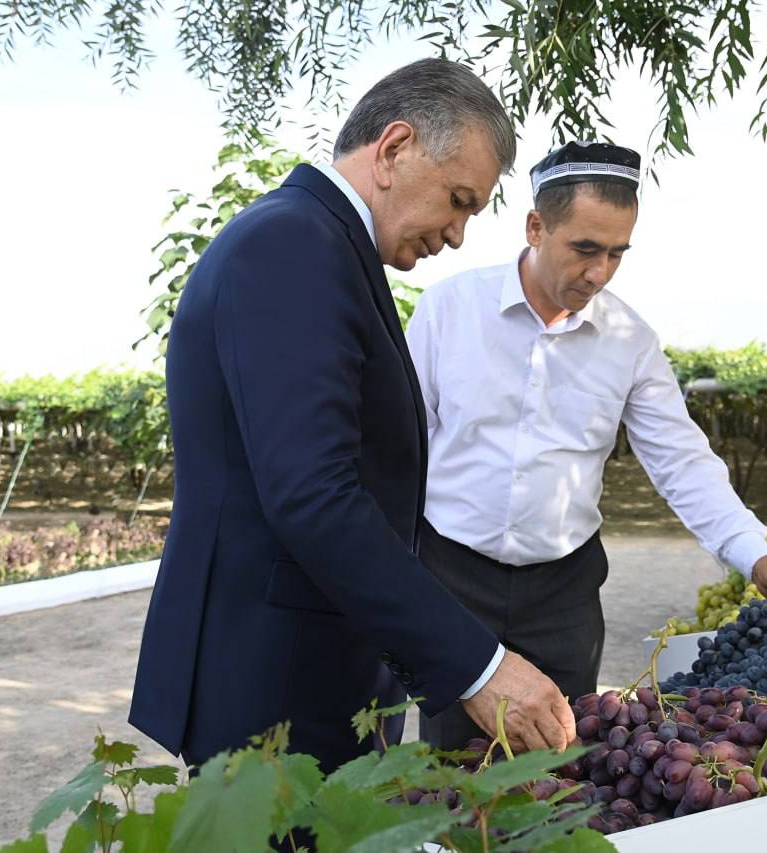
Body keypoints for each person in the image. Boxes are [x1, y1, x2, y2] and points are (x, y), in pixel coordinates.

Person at [129, 59, 577, 775]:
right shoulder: (295, 245)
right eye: (459, 199)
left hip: (312, 672)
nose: (458, 235)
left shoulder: (324, 246)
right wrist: (478, 666)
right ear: (395, 148)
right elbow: (313, 493)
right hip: (277, 690)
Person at [406, 141, 767, 749]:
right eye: (585, 249)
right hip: (451, 580)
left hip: (564, 593)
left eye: (616, 254)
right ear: (535, 226)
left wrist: (753, 552)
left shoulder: (630, 340)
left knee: (568, 769)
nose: (599, 272)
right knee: (451, 772)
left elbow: (681, 459)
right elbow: (401, 444)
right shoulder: (449, 310)